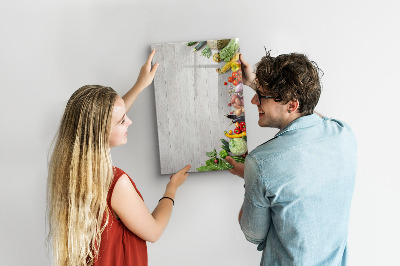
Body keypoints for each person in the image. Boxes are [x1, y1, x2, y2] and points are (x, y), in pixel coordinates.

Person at [46, 49, 191, 266]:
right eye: (123, 121)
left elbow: (104, 119)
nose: (129, 122)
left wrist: (140, 85)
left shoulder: (69, 170)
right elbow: (154, 231)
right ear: (100, 131)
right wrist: (172, 189)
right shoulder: (114, 183)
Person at [225, 52, 357, 265]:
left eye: (261, 96)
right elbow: (311, 114)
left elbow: (253, 234)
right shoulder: (344, 134)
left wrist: (251, 177)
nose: (253, 100)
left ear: (292, 105)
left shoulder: (260, 163)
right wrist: (253, 83)